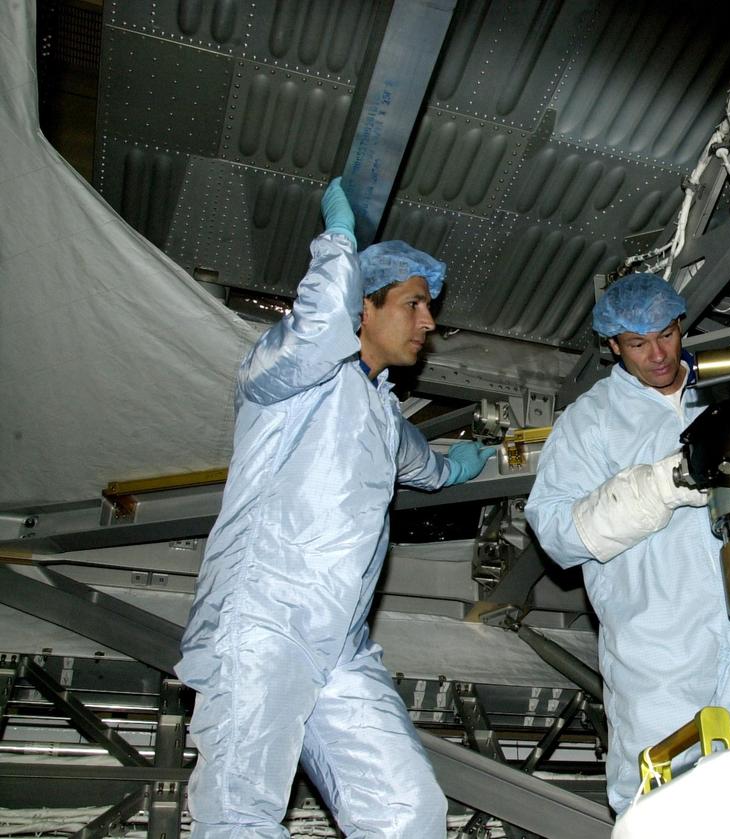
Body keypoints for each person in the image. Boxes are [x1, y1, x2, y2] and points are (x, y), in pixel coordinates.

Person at [176, 179, 494, 837]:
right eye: (413, 304)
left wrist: (463, 462)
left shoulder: (382, 410)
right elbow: (317, 331)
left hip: (339, 647)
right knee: (240, 813)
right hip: (263, 624)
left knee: (408, 811)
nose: (429, 322)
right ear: (362, 307)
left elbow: (423, 463)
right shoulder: (286, 375)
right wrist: (339, 239)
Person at [525, 272, 730, 814]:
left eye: (666, 335)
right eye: (637, 343)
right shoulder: (591, 421)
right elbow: (557, 533)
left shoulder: (726, 388)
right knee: (660, 805)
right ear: (613, 347)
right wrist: (668, 482)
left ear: (681, 325)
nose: (656, 354)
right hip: (658, 642)